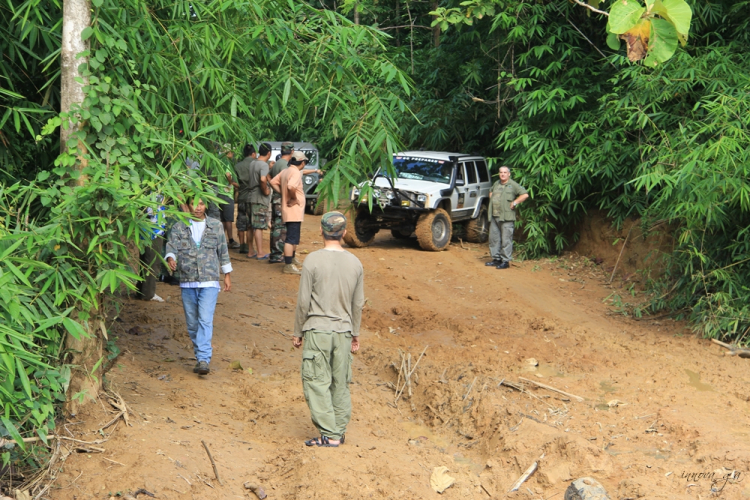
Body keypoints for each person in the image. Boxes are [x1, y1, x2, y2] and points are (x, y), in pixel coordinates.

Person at [293, 212, 364, 447]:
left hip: (317, 330)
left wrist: (298, 331)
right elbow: (357, 304)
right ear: (344, 233)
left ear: (321, 232)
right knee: (340, 382)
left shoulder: (312, 260)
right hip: (343, 332)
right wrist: (355, 334)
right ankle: (339, 431)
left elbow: (303, 302)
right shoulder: (356, 263)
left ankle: (330, 435)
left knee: (316, 381)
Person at [165, 197, 232, 375]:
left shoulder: (216, 226)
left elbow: (223, 250)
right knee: (193, 323)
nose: (198, 208)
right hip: (187, 281)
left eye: (201, 204)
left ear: (206, 206)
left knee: (205, 318)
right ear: (188, 205)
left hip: (209, 280)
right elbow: (171, 245)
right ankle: (200, 355)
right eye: (194, 203)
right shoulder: (180, 226)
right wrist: (171, 258)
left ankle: (203, 358)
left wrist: (227, 274)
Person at [270, 150, 308, 274]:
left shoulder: (286, 171)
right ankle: (288, 264)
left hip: (290, 210)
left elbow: (272, 182)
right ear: (301, 162)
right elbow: (291, 187)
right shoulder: (295, 172)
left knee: (293, 236)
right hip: (293, 210)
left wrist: (282, 193)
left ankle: (292, 258)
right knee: (291, 238)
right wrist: (293, 198)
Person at [486, 166, 529, 269]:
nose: (503, 174)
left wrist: (515, 202)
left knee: (506, 240)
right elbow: (491, 191)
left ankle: (505, 261)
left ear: (509, 174)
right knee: (494, 239)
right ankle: (496, 259)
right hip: (494, 216)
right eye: (501, 172)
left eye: (505, 172)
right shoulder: (496, 183)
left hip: (506, 217)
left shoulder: (513, 185)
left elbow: (525, 195)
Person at [268, 142, 294, 263]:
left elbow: (269, 178)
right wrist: (285, 195)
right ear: (292, 151)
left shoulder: (277, 163)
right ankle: (277, 255)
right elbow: (286, 183)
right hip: (281, 200)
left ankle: (275, 253)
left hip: (276, 198)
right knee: (280, 228)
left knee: (275, 226)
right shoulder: (285, 165)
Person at [246, 143, 273, 259]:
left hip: (250, 196)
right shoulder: (264, 165)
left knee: (250, 226)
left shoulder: (253, 163)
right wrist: (266, 190)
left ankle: (251, 251)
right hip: (259, 198)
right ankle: (260, 252)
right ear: (269, 153)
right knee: (258, 226)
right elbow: (262, 179)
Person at [234, 144, 256, 255]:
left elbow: (235, 183)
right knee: (250, 224)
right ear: (253, 154)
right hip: (252, 197)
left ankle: (242, 245)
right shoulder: (256, 164)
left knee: (241, 221)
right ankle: (249, 246)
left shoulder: (237, 166)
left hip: (242, 196)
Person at [220, 149, 240, 249]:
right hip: (227, 194)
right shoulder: (227, 163)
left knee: (222, 219)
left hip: (218, 194)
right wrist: (231, 182)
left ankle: (221, 239)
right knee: (228, 219)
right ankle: (231, 239)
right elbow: (228, 174)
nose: (232, 154)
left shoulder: (218, 162)